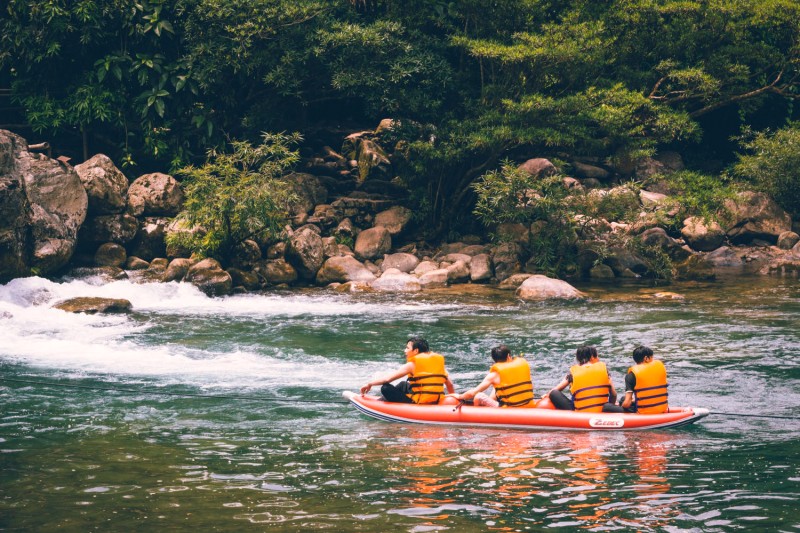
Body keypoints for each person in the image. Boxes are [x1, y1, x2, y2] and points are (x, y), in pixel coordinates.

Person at [360, 337, 455, 404]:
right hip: (437, 399)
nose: (405, 351)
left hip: (420, 401)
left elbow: (387, 380)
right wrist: (452, 398)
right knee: (403, 384)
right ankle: (382, 400)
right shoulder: (437, 363)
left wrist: (370, 384)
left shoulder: (412, 365)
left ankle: (382, 402)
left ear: (416, 351)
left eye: (407, 348)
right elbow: (449, 384)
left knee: (385, 388)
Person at [450, 345, 535, 408]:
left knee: (479, 396)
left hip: (509, 409)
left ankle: (479, 418)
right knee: (498, 387)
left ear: (494, 360)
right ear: (509, 357)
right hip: (529, 405)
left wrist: (459, 396)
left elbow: (472, 393)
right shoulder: (522, 366)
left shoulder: (494, 375)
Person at [546, 345, 623, 413]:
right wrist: (611, 406)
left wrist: (546, 395)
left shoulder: (572, 373)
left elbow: (554, 391)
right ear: (592, 357)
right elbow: (613, 394)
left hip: (580, 413)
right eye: (597, 356)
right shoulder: (604, 370)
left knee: (554, 393)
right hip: (602, 410)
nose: (598, 358)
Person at [621, 345, 668, 413]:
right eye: (652, 357)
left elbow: (627, 403)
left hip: (643, 412)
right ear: (646, 358)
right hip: (661, 408)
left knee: (609, 407)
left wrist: (621, 407)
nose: (653, 360)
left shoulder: (631, 375)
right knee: (623, 399)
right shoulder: (660, 369)